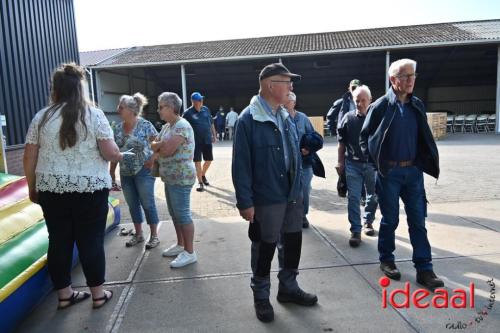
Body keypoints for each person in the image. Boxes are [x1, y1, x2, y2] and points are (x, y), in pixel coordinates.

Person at [23, 63, 123, 309]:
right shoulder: (94, 115)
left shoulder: (42, 117)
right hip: (89, 189)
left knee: (58, 241)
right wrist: (120, 155)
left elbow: (29, 157)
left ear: (55, 88)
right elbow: (110, 153)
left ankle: (65, 295)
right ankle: (98, 295)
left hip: (51, 189)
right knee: (91, 241)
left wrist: (31, 187)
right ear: (81, 88)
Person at [232, 63, 318, 323]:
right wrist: (245, 202)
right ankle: (261, 296)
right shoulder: (249, 119)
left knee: (293, 242)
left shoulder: (284, 115)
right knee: (264, 246)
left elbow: (293, 151)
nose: (291, 86)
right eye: (286, 81)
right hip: (266, 197)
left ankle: (288, 288)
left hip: (292, 194)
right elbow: (241, 165)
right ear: (270, 85)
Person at [360, 58, 444, 290]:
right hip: (389, 173)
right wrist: (377, 164)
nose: (411, 80)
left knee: (418, 221)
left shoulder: (417, 105)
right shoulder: (380, 107)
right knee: (391, 220)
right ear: (393, 80)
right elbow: (364, 139)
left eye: (413, 75)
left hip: (413, 173)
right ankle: (387, 260)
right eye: (406, 76)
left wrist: (424, 163)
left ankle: (425, 269)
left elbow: (423, 136)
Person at [152, 92, 198, 268]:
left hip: (181, 177)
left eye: (161, 107)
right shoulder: (167, 127)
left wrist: (159, 146)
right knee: (174, 213)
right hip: (170, 177)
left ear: (171, 108)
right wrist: (158, 145)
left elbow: (168, 150)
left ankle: (190, 252)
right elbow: (154, 144)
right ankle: (181, 245)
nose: (158, 110)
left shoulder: (181, 126)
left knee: (183, 214)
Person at [110, 93, 160, 249]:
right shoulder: (117, 129)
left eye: (121, 107)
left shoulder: (145, 125)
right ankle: (139, 235)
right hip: (125, 173)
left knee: (148, 203)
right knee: (132, 205)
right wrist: (112, 171)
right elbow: (115, 151)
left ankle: (154, 235)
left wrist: (153, 159)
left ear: (131, 110)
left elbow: (157, 145)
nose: (118, 109)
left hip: (144, 171)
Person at [336, 85, 378, 247]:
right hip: (352, 164)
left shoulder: (376, 118)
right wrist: (340, 162)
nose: (360, 103)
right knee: (353, 197)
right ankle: (355, 229)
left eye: (363, 100)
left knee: (373, 195)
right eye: (357, 100)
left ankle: (368, 221)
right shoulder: (347, 118)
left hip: (372, 165)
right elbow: (341, 144)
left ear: (370, 100)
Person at [283, 92, 321, 228]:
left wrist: (308, 149)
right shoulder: (280, 118)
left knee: (304, 189)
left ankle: (303, 215)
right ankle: (291, 215)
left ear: (294, 102)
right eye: (284, 101)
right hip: (288, 165)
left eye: (289, 101)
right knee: (290, 191)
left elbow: (314, 137)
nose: (286, 103)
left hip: (304, 163)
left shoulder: (303, 118)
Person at [183, 92, 216, 192]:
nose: (201, 101)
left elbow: (211, 123)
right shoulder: (187, 113)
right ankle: (200, 183)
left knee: (209, 160)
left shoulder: (206, 109)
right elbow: (182, 126)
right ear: (193, 102)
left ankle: (202, 174)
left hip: (207, 139)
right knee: (197, 161)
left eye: (201, 99)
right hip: (195, 142)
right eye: (199, 100)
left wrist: (214, 135)